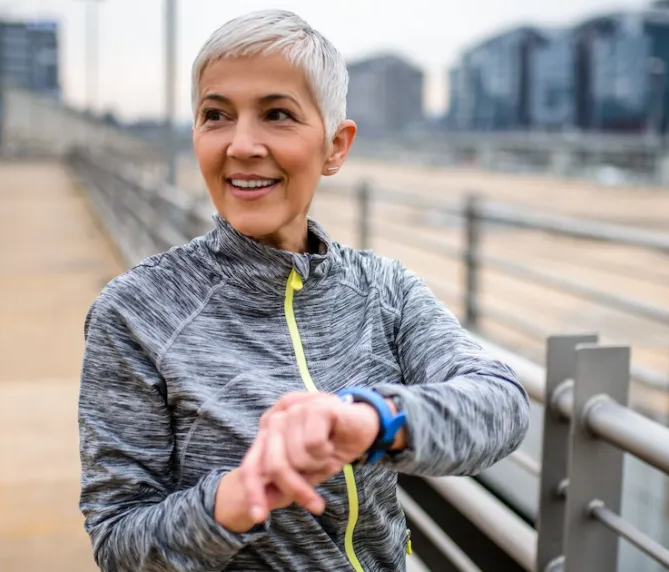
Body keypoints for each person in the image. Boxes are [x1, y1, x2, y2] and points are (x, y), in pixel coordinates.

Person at [77, 9, 530, 572]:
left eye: (277, 115)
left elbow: (501, 404)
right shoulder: (134, 312)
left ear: (336, 146)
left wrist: (371, 421)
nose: (242, 145)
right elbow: (119, 541)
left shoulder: (383, 288)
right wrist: (234, 500)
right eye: (216, 115)